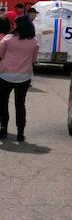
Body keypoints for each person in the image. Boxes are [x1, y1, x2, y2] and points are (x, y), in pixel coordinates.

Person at [0, 14, 39, 142]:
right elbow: (33, 60)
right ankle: (20, 133)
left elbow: (0, 55)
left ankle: (3, 129)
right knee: (20, 104)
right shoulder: (34, 42)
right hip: (24, 76)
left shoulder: (8, 39)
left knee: (3, 103)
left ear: (18, 25)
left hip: (5, 75)